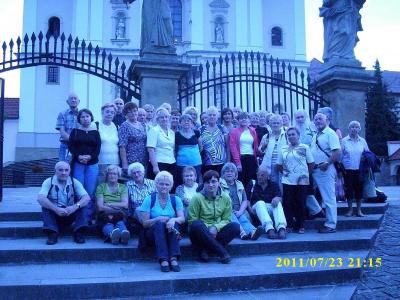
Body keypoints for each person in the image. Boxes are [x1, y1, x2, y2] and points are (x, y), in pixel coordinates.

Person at [188, 170, 240, 264]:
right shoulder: (197, 198)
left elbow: (226, 219)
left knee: (235, 226)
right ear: (204, 184)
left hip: (217, 230)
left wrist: (216, 227)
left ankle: (205, 250)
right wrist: (209, 230)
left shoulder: (226, 197)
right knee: (196, 224)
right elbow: (192, 220)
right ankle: (221, 252)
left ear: (219, 182)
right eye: (208, 182)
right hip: (201, 232)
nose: (211, 185)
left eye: (214, 181)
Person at [139, 171, 185, 272]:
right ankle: (163, 259)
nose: (164, 186)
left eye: (167, 184)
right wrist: (157, 219)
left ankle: (173, 258)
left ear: (171, 186)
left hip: (170, 232)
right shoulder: (149, 199)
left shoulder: (176, 199)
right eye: (161, 184)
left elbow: (182, 218)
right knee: (159, 224)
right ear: (156, 185)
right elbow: (144, 223)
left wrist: (173, 219)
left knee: (175, 224)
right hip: (152, 234)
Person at [37, 161, 90, 245]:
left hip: (70, 213)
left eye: (66, 170)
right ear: (55, 171)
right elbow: (40, 198)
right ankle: (52, 234)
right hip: (55, 215)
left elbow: (87, 197)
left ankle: (79, 233)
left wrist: (74, 207)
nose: (63, 173)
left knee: (82, 204)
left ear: (70, 171)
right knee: (45, 206)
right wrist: (56, 209)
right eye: (60, 170)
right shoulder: (48, 181)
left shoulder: (74, 181)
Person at [277, 127, 314, 234]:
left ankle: (300, 225)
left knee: (301, 203)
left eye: (293, 134)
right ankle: (289, 224)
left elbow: (311, 164)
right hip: (287, 181)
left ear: (298, 135)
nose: (291, 136)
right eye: (289, 135)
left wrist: (304, 174)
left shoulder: (305, 147)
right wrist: (286, 173)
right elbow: (279, 165)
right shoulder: (283, 149)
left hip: (302, 181)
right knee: (288, 203)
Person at [311, 113, 341, 233]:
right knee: (307, 193)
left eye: (320, 119)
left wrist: (327, 163)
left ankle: (330, 225)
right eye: (316, 119)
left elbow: (337, 152)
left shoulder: (330, 133)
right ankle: (317, 211)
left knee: (328, 198)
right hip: (315, 170)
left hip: (325, 169)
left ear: (327, 120)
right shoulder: (316, 135)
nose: (318, 121)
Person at [68, 109, 101, 220]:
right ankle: (78, 215)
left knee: (90, 190)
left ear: (91, 118)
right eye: (82, 117)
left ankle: (88, 216)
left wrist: (90, 157)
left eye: (87, 116)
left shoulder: (95, 132)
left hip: (92, 164)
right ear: (79, 119)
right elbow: (71, 146)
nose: (85, 118)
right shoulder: (75, 131)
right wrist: (79, 156)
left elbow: (98, 148)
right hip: (78, 164)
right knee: (79, 189)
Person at [220, 163, 264, 240]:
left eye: (231, 171)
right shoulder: (219, 184)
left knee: (242, 217)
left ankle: (253, 232)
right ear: (223, 174)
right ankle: (242, 232)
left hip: (238, 210)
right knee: (231, 214)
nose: (229, 173)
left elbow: (245, 200)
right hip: (225, 210)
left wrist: (240, 211)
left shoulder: (239, 184)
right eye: (227, 171)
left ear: (235, 174)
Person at [246, 167, 287, 239]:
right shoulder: (252, 183)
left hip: (269, 208)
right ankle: (269, 229)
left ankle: (281, 228)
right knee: (260, 203)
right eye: (258, 175)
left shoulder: (273, 185)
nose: (259, 177)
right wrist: (250, 210)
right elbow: (247, 200)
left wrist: (277, 198)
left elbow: (280, 197)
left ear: (268, 177)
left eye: (262, 175)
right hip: (256, 208)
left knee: (278, 203)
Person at [95, 165, 130, 245]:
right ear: (107, 176)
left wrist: (109, 204)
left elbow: (125, 205)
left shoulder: (123, 187)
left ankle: (123, 235)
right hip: (104, 215)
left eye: (115, 174)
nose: (112, 176)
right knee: (106, 219)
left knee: (120, 220)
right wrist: (117, 207)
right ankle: (113, 234)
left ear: (118, 175)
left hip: (119, 214)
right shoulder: (101, 187)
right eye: (110, 174)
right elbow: (100, 207)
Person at [341, 120, 369, 217]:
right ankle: (350, 210)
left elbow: (368, 154)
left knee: (359, 189)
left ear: (359, 129)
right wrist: (340, 170)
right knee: (349, 190)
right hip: (348, 170)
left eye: (356, 127)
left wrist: (365, 157)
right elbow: (340, 156)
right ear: (349, 129)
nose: (354, 129)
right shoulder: (344, 141)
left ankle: (359, 210)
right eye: (352, 127)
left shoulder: (362, 141)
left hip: (360, 169)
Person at [229, 112, 259, 187]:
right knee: (241, 181)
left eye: (245, 118)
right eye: (241, 118)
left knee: (251, 181)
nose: (244, 120)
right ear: (238, 120)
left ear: (249, 120)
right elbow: (233, 148)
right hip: (241, 158)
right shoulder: (234, 132)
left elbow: (255, 146)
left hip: (251, 158)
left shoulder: (253, 131)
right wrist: (238, 163)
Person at [147, 108, 177, 181]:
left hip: (171, 163)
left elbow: (173, 149)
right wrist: (155, 166)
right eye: (162, 117)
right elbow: (151, 149)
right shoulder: (154, 130)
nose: (164, 119)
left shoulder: (171, 132)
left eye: (166, 117)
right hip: (159, 163)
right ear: (157, 119)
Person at [259, 114, 288, 186]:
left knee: (284, 184)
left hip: (283, 163)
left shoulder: (286, 134)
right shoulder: (266, 136)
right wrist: (264, 146)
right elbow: (260, 150)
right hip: (271, 164)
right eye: (274, 123)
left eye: (278, 123)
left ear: (281, 124)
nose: (276, 125)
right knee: (274, 184)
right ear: (270, 124)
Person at [119, 102, 147, 173]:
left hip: (143, 159)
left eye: (135, 111)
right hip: (131, 159)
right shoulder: (124, 126)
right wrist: (124, 163)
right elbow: (122, 146)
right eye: (130, 112)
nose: (133, 113)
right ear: (126, 114)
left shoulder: (142, 125)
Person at [199, 106, 227, 175]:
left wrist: (228, 160)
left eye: (214, 115)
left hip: (221, 162)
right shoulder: (201, 129)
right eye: (210, 115)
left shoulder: (222, 128)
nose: (212, 117)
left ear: (217, 117)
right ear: (206, 117)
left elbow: (227, 146)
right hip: (206, 162)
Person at [175, 114, 202, 185]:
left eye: (188, 121)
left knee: (195, 183)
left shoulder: (196, 133)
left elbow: (201, 147)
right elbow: (175, 149)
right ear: (180, 123)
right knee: (181, 183)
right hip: (181, 164)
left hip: (196, 163)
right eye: (184, 121)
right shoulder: (176, 134)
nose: (186, 122)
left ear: (192, 123)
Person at [97, 103, 120, 183]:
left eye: (112, 112)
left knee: (112, 185)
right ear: (102, 112)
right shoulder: (95, 125)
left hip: (115, 162)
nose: (109, 114)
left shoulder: (116, 127)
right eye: (107, 112)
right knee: (101, 185)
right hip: (101, 162)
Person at [55, 92, 80, 161]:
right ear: (67, 102)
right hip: (65, 146)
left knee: (77, 168)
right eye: (71, 98)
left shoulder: (82, 115)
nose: (73, 100)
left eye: (75, 98)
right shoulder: (62, 114)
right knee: (64, 166)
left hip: (80, 146)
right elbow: (62, 133)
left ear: (79, 101)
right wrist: (74, 141)